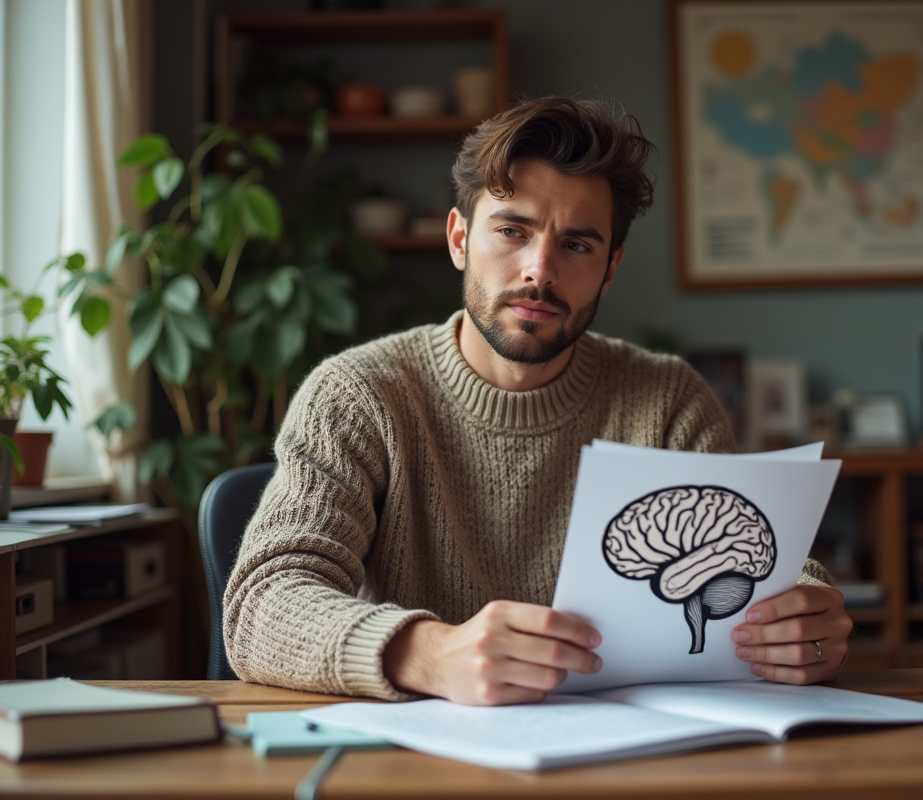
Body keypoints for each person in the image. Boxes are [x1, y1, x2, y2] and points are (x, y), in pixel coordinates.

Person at [223, 97, 852, 705]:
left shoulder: (667, 399)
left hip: (630, 757)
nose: (539, 270)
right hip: (413, 757)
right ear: (459, 239)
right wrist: (431, 653)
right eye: (512, 231)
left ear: (610, 268)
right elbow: (263, 602)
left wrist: (805, 612)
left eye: (577, 245)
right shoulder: (357, 396)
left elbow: (762, 558)